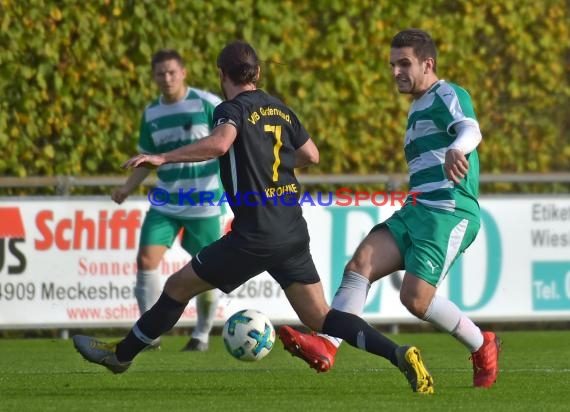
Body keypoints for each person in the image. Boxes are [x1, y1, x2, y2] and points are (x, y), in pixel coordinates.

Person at [73, 40, 434, 394]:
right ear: (257, 72)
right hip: (291, 230)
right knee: (320, 316)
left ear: (221, 75)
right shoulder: (279, 108)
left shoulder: (230, 109)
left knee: (176, 288)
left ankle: (120, 356)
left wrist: (163, 158)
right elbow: (312, 154)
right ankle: (399, 353)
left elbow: (219, 144)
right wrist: (274, 165)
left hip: (254, 235)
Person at [279, 29, 501, 389]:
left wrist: (458, 149)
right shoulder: (417, 106)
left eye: (404, 63)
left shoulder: (448, 93)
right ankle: (327, 346)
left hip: (448, 211)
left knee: (415, 300)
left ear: (428, 64)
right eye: (392, 64)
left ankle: (482, 343)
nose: (396, 71)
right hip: (416, 209)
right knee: (360, 263)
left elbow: (471, 129)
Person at [111, 49, 224, 352]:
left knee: (208, 273)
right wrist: (126, 188)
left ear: (184, 73)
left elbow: (228, 141)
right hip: (166, 202)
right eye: (161, 73)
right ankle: (151, 335)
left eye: (172, 72)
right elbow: (148, 160)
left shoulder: (208, 104)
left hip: (205, 202)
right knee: (146, 260)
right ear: (154, 76)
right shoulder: (151, 113)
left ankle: (201, 335)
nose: (167, 78)